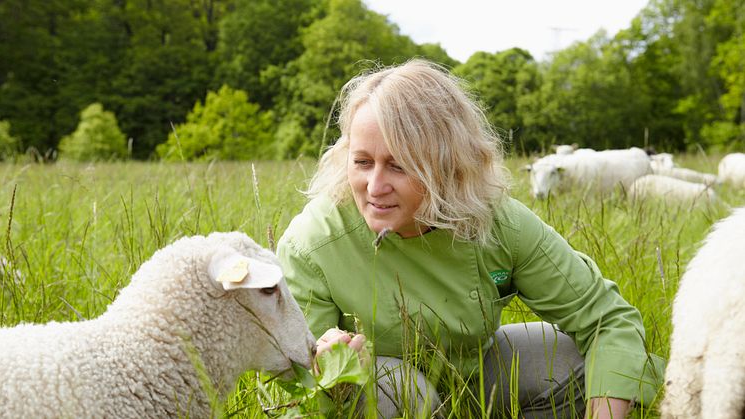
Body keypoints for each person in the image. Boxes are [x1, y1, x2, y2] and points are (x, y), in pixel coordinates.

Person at [276, 59, 663, 418]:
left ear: (448, 165)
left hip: (475, 379)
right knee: (401, 389)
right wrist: (333, 374)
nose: (375, 186)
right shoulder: (311, 244)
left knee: (566, 358)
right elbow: (294, 390)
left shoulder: (497, 222)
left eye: (399, 165)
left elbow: (607, 319)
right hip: (390, 396)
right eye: (362, 162)